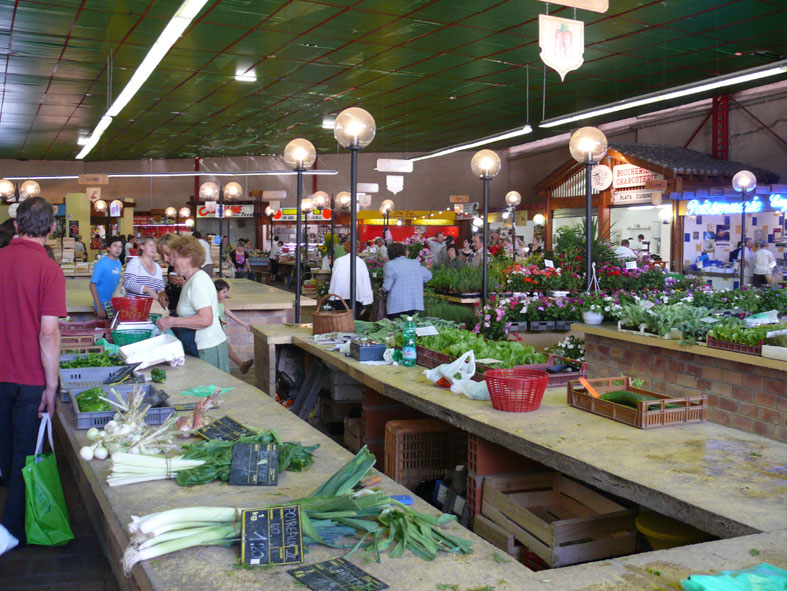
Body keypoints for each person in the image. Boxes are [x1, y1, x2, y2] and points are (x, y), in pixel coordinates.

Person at [0, 197, 66, 554]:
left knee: (5, 451)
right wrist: (51, 385)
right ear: (53, 230)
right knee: (26, 454)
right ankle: (10, 530)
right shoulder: (48, 270)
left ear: (15, 225)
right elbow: (48, 333)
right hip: (28, 378)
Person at [156, 236, 229, 372]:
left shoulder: (198, 282)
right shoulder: (193, 280)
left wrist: (172, 322)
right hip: (202, 345)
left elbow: (206, 319)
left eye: (174, 257)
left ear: (188, 258)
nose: (172, 261)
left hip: (206, 348)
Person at [383, 242, 432, 319]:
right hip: (414, 303)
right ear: (403, 252)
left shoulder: (390, 265)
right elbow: (428, 276)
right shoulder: (415, 263)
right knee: (411, 327)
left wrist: (381, 289)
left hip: (396, 306)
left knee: (396, 328)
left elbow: (387, 287)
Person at [214, 279, 253, 374]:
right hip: (215, 333)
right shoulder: (212, 304)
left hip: (220, 332)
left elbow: (231, 314)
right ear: (215, 292)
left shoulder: (221, 304)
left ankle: (241, 365)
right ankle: (240, 365)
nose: (226, 294)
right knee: (226, 349)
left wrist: (244, 323)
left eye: (226, 292)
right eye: (223, 292)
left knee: (227, 349)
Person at [328, 249, 374, 318]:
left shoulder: (339, 261)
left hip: (339, 295)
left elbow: (334, 278)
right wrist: (367, 298)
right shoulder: (361, 262)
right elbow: (365, 280)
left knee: (341, 319)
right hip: (357, 296)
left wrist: (331, 294)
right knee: (354, 319)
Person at [124, 236, 166, 306]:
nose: (153, 248)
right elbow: (128, 283)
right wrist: (148, 290)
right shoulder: (135, 262)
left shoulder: (157, 267)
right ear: (142, 247)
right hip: (134, 306)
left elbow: (160, 287)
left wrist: (162, 294)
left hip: (152, 306)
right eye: (150, 245)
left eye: (155, 246)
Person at [89, 235, 123, 318]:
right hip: (104, 304)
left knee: (112, 326)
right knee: (106, 327)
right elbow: (92, 285)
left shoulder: (118, 263)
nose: (118, 249)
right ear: (108, 248)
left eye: (120, 246)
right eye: (115, 245)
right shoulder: (102, 264)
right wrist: (99, 307)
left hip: (114, 303)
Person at [158, 233, 185, 313]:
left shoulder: (191, 269)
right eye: (162, 255)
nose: (165, 259)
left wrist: (183, 283)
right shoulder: (171, 268)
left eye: (167, 254)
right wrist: (163, 292)